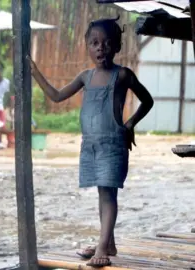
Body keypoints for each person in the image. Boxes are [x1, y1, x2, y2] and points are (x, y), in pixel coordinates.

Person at [28, 16, 153, 267]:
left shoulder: (123, 75)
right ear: (87, 46)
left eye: (107, 43)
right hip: (90, 146)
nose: (100, 48)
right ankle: (108, 243)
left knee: (108, 196)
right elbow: (56, 96)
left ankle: (101, 247)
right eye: (95, 43)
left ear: (117, 47)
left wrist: (129, 125)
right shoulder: (85, 77)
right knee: (102, 193)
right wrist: (34, 71)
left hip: (114, 144)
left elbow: (147, 101)